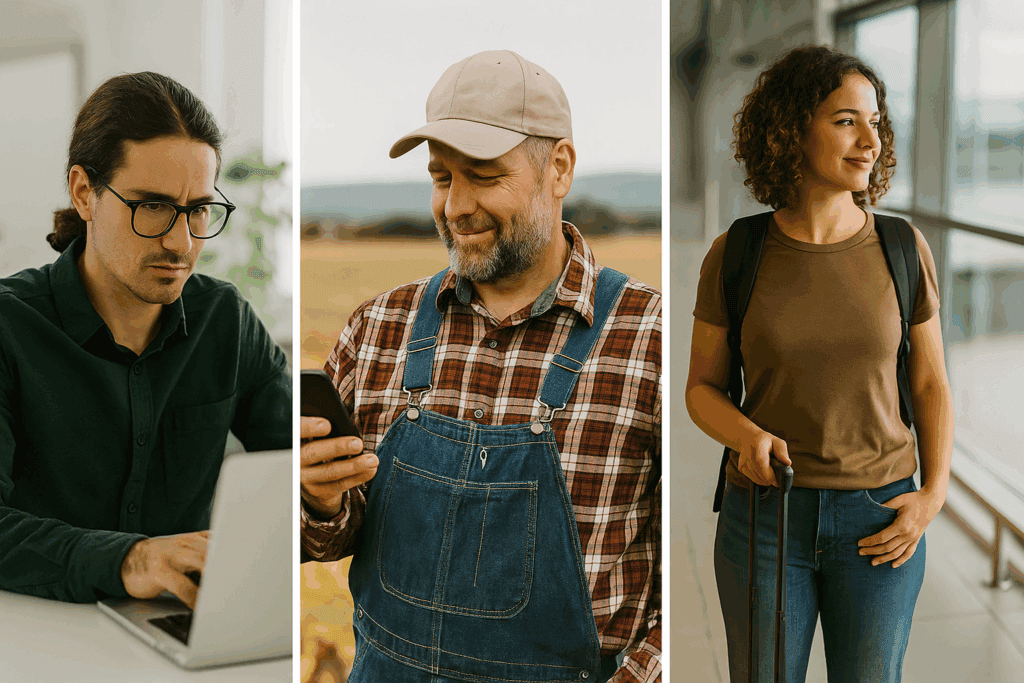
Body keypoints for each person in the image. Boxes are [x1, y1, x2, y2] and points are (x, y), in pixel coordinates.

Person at [300, 51, 661, 683]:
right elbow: (326, 538)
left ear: (560, 169)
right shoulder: (377, 328)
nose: (456, 206)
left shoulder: (649, 339)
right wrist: (319, 502)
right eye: (442, 178)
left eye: (484, 176)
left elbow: (697, 578)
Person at [686, 46, 953, 682]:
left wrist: (933, 495)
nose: (871, 139)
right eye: (846, 121)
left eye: (876, 121)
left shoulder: (901, 247)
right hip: (767, 521)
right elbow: (700, 388)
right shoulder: (738, 252)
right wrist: (746, 436)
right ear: (791, 131)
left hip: (881, 521)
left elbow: (931, 381)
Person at [0, 72, 291, 610]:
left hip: (179, 637)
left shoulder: (224, 320)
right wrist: (130, 560)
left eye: (198, 209)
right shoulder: (8, 326)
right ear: (84, 192)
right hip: (33, 636)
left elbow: (294, 472)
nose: (180, 242)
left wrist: (320, 487)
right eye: (151, 207)